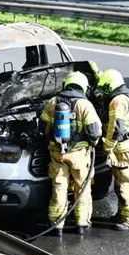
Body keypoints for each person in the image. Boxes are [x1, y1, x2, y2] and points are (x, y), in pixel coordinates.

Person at [38, 71, 102, 236]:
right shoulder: (84, 105)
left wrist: (51, 144)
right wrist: (91, 144)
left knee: (59, 187)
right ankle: (81, 224)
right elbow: (95, 132)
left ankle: (56, 225)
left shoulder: (53, 102)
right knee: (82, 187)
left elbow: (42, 127)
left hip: (58, 154)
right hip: (79, 155)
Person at [96, 69, 129, 231]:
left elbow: (115, 127)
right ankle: (122, 214)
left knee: (125, 184)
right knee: (120, 184)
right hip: (127, 146)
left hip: (122, 149)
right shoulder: (126, 96)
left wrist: (107, 147)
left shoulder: (117, 101)